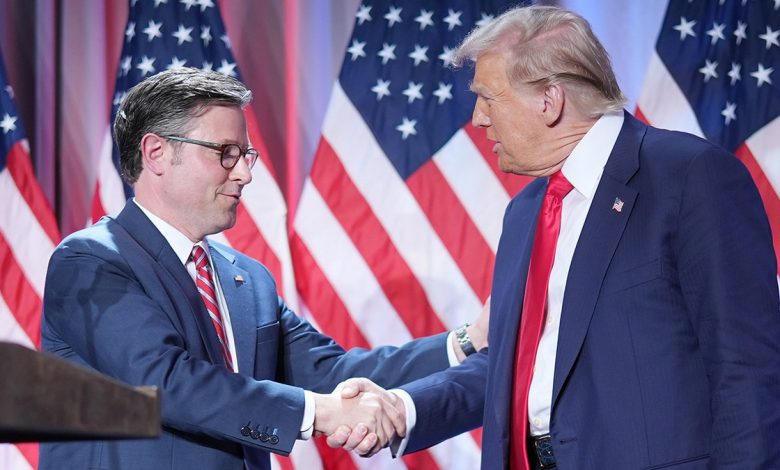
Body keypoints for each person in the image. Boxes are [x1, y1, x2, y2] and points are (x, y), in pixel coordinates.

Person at [338, 5, 780, 469]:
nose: (478, 119)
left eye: (488, 97)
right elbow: (518, 367)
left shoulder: (687, 178)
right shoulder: (526, 212)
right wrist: (403, 407)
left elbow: (748, 370)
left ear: (549, 101)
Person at [39, 67, 488, 470]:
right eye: (225, 152)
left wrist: (467, 342)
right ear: (156, 153)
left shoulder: (247, 280)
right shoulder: (91, 261)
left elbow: (332, 373)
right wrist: (321, 413)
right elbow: (165, 382)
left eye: (245, 155)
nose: (244, 174)